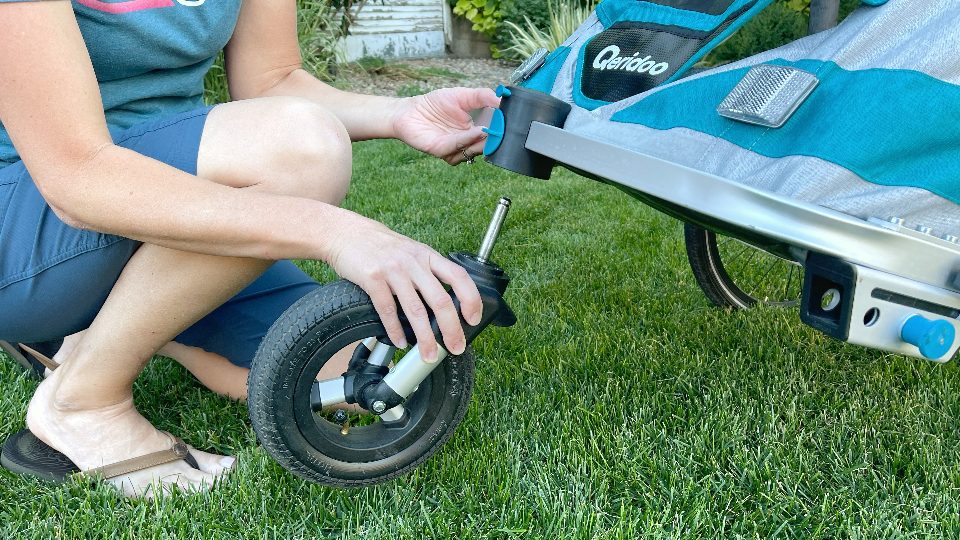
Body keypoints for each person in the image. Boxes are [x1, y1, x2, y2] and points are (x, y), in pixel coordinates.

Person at [0, 0, 497, 497]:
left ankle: (115, 322)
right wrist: (336, 231)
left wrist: (400, 112)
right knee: (302, 147)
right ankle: (83, 402)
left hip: (177, 210)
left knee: (354, 377)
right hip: (30, 213)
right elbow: (76, 176)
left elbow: (272, 81)